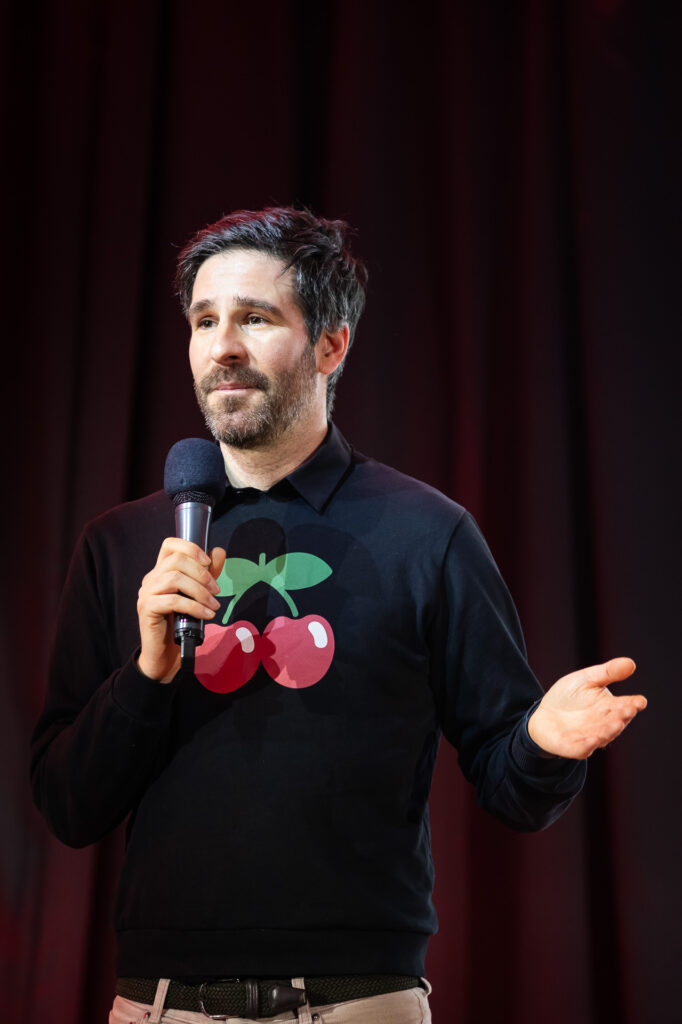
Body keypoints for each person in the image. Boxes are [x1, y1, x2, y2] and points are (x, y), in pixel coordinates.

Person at [31, 207, 647, 1024]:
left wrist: (542, 741)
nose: (222, 347)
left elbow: (510, 785)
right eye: (204, 320)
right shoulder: (124, 545)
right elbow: (69, 806)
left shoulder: (428, 533)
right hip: (162, 1004)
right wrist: (146, 676)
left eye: (255, 318)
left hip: (359, 1001)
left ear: (331, 345)